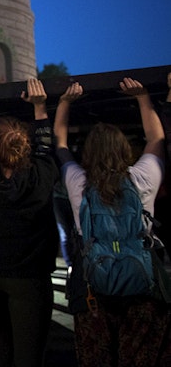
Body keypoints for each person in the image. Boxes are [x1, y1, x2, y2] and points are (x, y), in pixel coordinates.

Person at [55, 78, 170, 366]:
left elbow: (59, 144)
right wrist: (143, 97)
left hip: (94, 291)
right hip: (143, 290)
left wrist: (65, 102)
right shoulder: (142, 179)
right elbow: (156, 139)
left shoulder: (78, 182)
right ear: (123, 149)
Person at [0, 79, 58, 367]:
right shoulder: (40, 179)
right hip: (31, 279)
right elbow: (45, 148)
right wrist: (40, 109)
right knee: (29, 357)